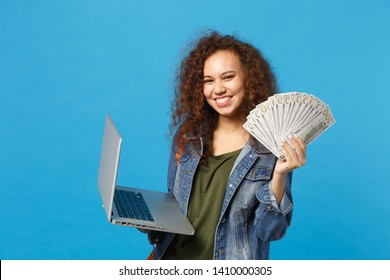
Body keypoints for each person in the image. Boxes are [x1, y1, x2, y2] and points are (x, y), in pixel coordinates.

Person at [146, 31, 306, 260]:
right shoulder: (188, 138)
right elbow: (175, 202)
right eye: (208, 81)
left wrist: (280, 175)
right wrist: (145, 216)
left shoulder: (271, 149)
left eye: (228, 77)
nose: (218, 89)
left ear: (248, 78)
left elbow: (270, 230)